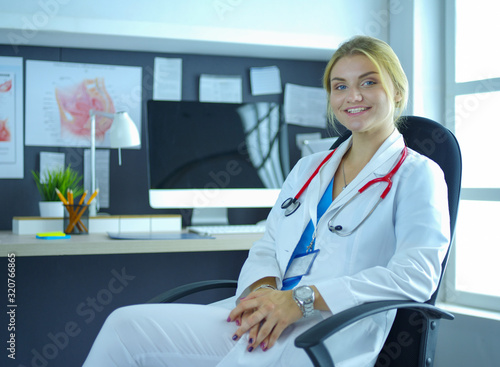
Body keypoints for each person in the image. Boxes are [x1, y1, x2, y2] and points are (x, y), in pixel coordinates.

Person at [82, 35, 450, 367]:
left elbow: (416, 276)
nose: (352, 96)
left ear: (397, 92)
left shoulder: (419, 175)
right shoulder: (309, 167)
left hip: (327, 328)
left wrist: (302, 299)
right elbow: (269, 243)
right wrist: (262, 293)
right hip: (265, 310)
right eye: (340, 86)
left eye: (368, 82)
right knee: (124, 326)